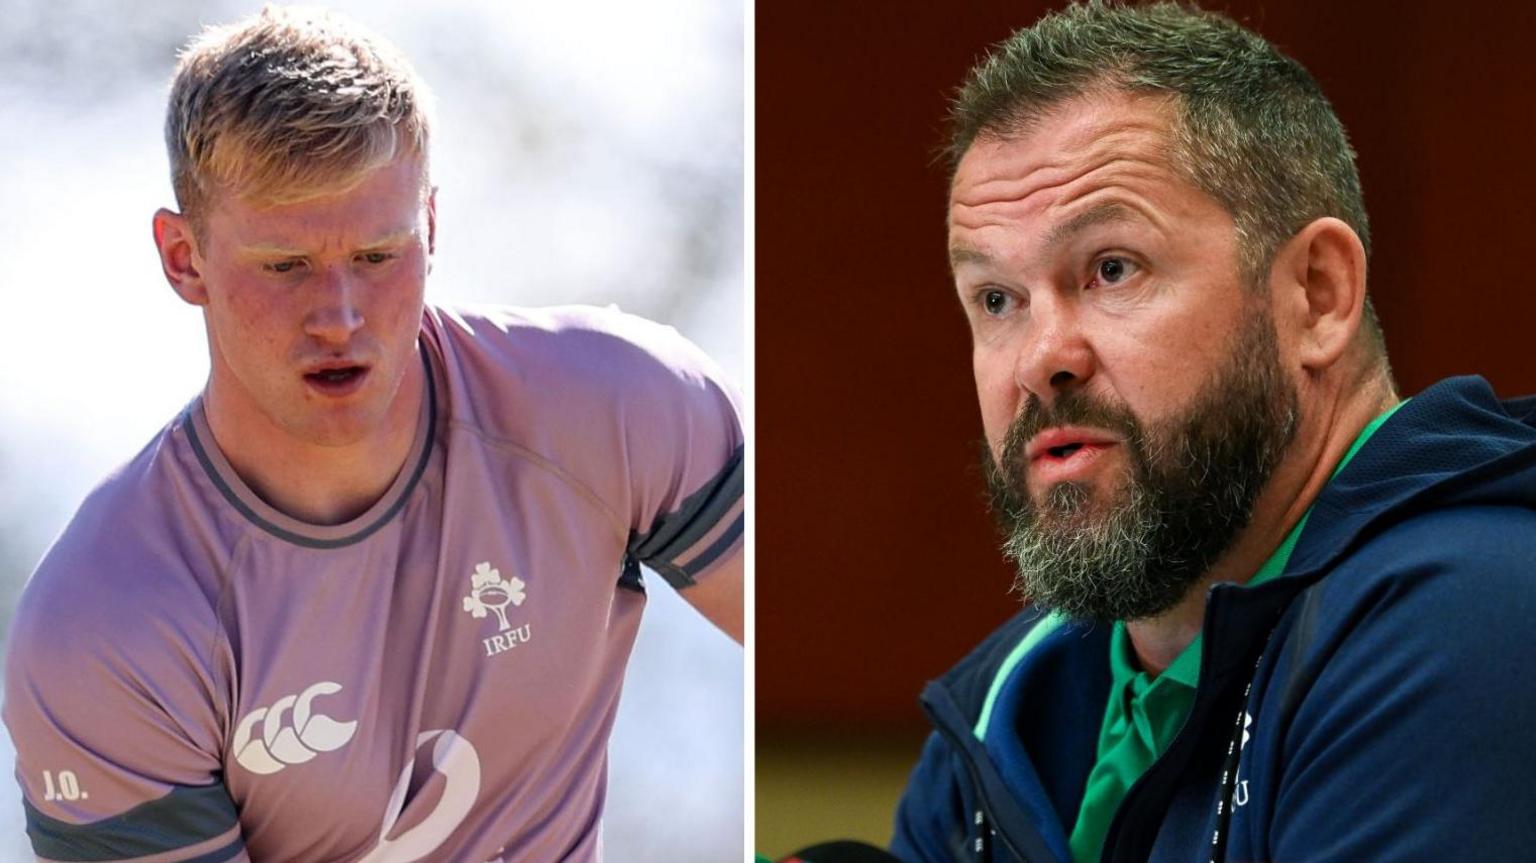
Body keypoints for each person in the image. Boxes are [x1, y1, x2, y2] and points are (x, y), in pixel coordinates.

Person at [2, 7, 742, 862]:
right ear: (184, 258)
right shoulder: (103, 627)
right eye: (286, 266)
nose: (341, 316)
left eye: (380, 255)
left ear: (430, 226)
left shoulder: (623, 407)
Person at [891, 3, 1536, 861]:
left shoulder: (1469, 616)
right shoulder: (1003, 710)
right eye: (996, 300)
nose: (1041, 358)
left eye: (1112, 268)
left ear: (1317, 294)